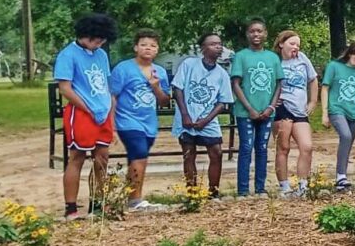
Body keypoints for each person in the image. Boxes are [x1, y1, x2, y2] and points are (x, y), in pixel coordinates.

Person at [55, 14, 118, 218]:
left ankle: (97, 204)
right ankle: (71, 208)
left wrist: (109, 112)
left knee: (102, 158)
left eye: (103, 39)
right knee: (78, 157)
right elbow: (65, 88)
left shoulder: (101, 55)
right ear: (84, 34)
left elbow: (106, 86)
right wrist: (87, 108)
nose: (99, 42)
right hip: (81, 112)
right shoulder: (68, 54)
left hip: (102, 112)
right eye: (95, 38)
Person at [109, 29, 170, 212]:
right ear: (136, 47)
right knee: (139, 153)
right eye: (143, 44)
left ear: (157, 49)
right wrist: (111, 126)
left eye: (152, 45)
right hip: (127, 120)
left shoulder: (159, 71)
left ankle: (131, 197)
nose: (148, 49)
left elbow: (164, 101)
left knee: (139, 158)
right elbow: (113, 97)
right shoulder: (123, 68)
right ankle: (135, 200)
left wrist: (156, 86)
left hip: (149, 123)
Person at [172, 32, 233, 198]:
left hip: (208, 118)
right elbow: (178, 89)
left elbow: (223, 102)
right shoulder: (189, 65)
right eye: (213, 44)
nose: (218, 47)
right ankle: (192, 193)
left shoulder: (222, 74)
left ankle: (213, 192)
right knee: (189, 153)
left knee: (216, 152)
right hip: (187, 115)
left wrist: (206, 120)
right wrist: (185, 115)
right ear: (203, 48)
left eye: (219, 44)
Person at [229, 17, 283, 197]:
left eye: (259, 31)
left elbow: (278, 84)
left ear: (265, 34)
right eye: (252, 31)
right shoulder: (241, 56)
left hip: (267, 111)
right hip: (246, 112)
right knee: (246, 147)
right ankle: (243, 190)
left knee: (262, 148)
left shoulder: (273, 57)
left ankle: (261, 188)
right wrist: (250, 108)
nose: (256, 34)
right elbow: (236, 84)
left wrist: (271, 107)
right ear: (247, 34)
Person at [273, 30, 318, 197]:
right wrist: (271, 102)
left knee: (307, 146)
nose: (296, 47)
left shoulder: (302, 59)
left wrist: (313, 101)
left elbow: (313, 79)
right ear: (281, 44)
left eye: (298, 44)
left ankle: (303, 185)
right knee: (283, 147)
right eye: (292, 43)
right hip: (282, 107)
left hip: (300, 108)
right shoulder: (275, 61)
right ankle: (284, 187)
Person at [321, 41, 355, 191]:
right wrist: (325, 113)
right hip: (337, 108)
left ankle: (342, 176)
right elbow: (325, 88)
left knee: (348, 143)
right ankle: (341, 175)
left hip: (354, 111)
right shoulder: (334, 66)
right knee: (346, 136)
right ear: (349, 55)